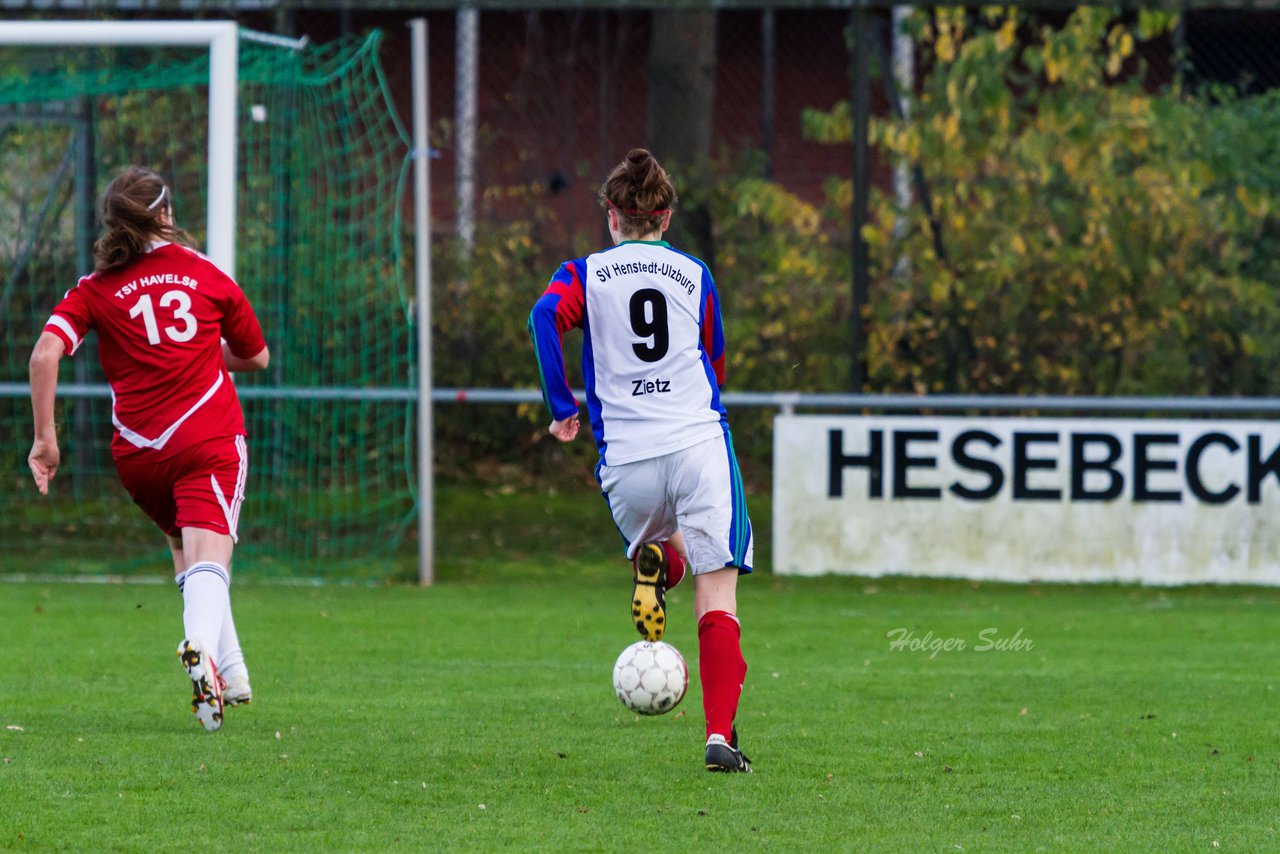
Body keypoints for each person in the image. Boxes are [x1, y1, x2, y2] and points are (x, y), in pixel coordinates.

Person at [528, 149, 754, 773]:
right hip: (696, 442)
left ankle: (659, 562)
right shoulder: (694, 273)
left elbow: (544, 315)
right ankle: (719, 737)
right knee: (719, 595)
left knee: (663, 546)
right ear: (666, 217)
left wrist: (561, 403)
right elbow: (714, 362)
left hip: (626, 460)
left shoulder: (585, 273)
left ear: (612, 215)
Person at [27, 166, 270, 733]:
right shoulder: (206, 274)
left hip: (139, 455)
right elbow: (255, 357)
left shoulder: (93, 287)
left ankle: (230, 675)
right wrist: (204, 355)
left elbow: (44, 354)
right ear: (163, 214)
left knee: (192, 557)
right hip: (207, 438)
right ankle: (199, 646)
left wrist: (46, 438)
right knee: (213, 557)